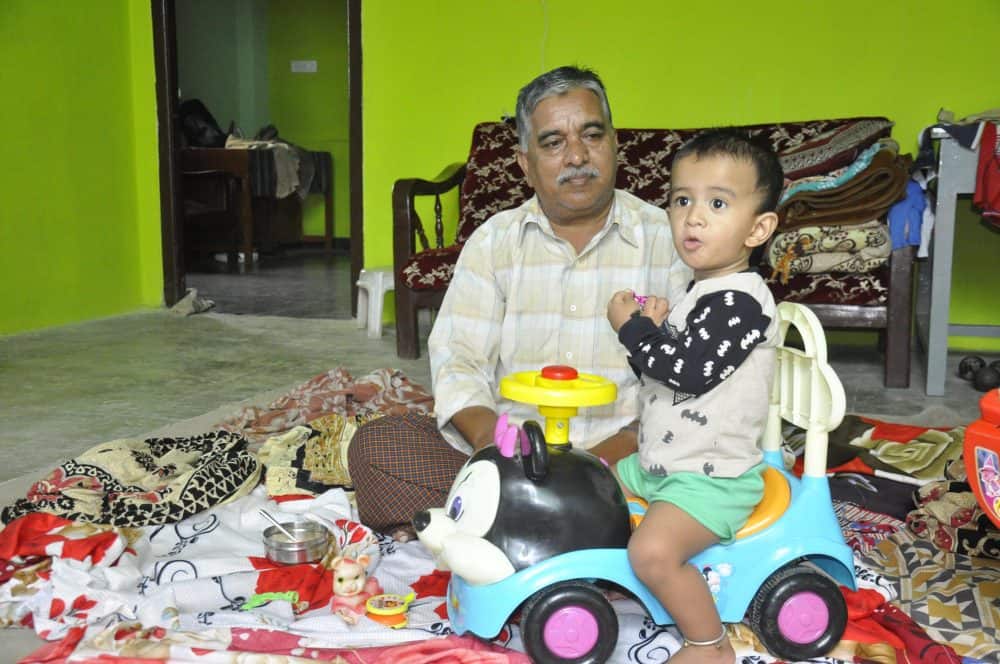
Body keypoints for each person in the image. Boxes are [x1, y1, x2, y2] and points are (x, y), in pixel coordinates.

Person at [347, 65, 691, 534]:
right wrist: (496, 448)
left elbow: (689, 378)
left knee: (712, 468)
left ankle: (513, 526)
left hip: (628, 462)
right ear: (525, 163)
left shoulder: (670, 240)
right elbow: (460, 359)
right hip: (511, 461)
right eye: (553, 143)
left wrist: (599, 465)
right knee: (378, 446)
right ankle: (566, 523)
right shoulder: (494, 242)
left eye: (592, 135)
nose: (577, 156)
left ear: (615, 144)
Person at [605, 130, 783, 663]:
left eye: (718, 203)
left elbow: (688, 373)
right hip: (665, 463)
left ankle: (709, 643)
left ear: (758, 229)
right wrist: (655, 335)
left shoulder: (741, 302)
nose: (694, 217)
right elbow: (660, 376)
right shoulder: (701, 292)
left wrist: (633, 329)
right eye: (682, 200)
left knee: (653, 553)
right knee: (594, 491)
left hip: (712, 478)